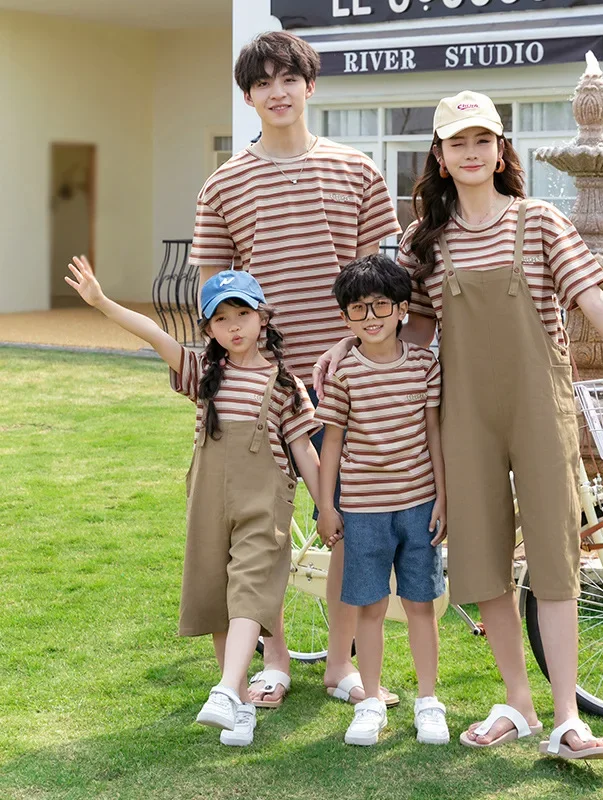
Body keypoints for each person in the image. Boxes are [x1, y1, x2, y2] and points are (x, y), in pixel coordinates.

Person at [316, 91, 603, 760]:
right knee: (485, 564)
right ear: (440, 154)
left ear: (500, 150)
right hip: (465, 420)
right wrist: (347, 351)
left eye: (483, 139)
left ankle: (566, 718)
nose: (471, 152)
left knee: (554, 562)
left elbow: (594, 301)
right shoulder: (422, 241)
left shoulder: (539, 222)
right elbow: (411, 327)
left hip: (539, 414)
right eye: (458, 142)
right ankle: (517, 702)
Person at [190, 30, 402, 710]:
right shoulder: (224, 182)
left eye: (290, 78)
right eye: (263, 82)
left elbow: (380, 280)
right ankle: (274, 659)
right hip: (264, 385)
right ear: (248, 95)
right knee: (261, 524)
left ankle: (339, 665)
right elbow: (211, 290)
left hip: (347, 376)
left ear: (310, 86)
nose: (277, 92)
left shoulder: (358, 170)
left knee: (350, 519)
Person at [65, 258, 334, 747]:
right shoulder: (202, 372)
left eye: (243, 314)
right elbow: (154, 335)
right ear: (208, 328)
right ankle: (239, 705)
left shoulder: (287, 386)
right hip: (209, 501)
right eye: (221, 319)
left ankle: (229, 688)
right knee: (216, 596)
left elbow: (304, 453)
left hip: (264, 503)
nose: (234, 327)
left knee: (250, 588)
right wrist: (102, 302)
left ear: (263, 318)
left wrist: (328, 508)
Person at [315, 255, 448, 747]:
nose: (369, 319)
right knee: (369, 608)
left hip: (418, 504)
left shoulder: (424, 367)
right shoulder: (343, 372)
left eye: (379, 307)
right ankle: (369, 700)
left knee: (420, 604)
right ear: (344, 318)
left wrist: (444, 497)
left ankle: (428, 702)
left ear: (401, 310)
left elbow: (434, 432)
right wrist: (328, 506)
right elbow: (332, 441)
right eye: (357, 310)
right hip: (363, 509)